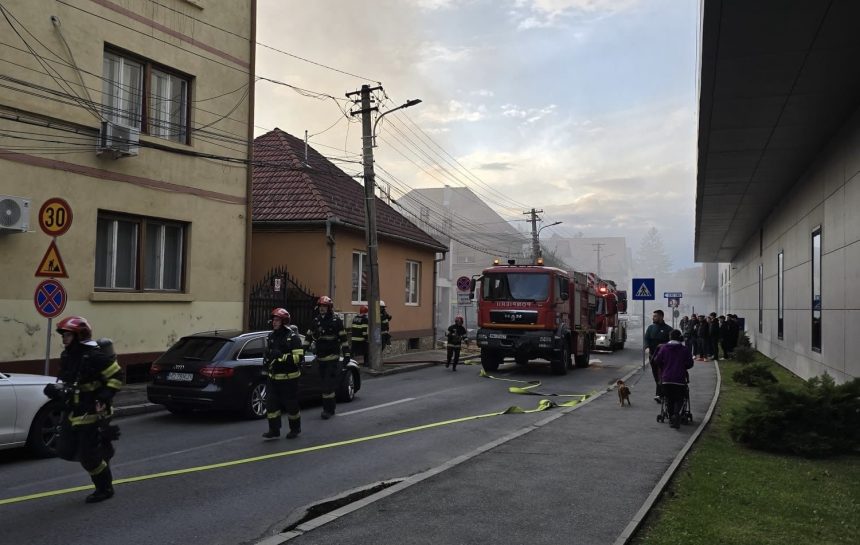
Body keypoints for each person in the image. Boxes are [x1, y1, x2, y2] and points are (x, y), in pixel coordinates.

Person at [49, 316, 123, 503]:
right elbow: (71, 382)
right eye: (63, 335)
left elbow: (116, 376)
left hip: (93, 411)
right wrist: (55, 392)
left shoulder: (95, 356)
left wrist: (104, 396)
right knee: (65, 450)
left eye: (67, 335)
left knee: (88, 458)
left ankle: (104, 488)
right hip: (73, 410)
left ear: (79, 335)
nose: (64, 339)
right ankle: (104, 451)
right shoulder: (68, 356)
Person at [304, 296, 350, 419]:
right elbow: (308, 338)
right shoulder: (315, 321)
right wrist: (301, 351)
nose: (322, 309)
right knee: (324, 385)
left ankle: (328, 409)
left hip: (332, 357)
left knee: (327, 384)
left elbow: (344, 339)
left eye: (324, 307)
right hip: (320, 358)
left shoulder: (336, 321)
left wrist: (347, 355)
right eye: (320, 307)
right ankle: (330, 407)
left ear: (329, 308)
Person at [262, 308, 304, 440]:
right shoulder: (271, 336)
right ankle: (274, 430)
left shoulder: (293, 338)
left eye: (277, 320)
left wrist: (282, 356)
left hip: (289, 379)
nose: (274, 322)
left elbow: (299, 359)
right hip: (273, 378)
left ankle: (295, 429)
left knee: (291, 405)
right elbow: (268, 354)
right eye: (273, 320)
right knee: (271, 405)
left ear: (284, 321)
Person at [653, 329, 694, 429]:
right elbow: (690, 364)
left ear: (670, 337)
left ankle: (671, 417)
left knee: (669, 398)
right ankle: (676, 414)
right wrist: (682, 365)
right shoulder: (684, 349)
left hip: (666, 379)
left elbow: (656, 360)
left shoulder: (664, 348)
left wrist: (664, 366)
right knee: (679, 398)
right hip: (679, 379)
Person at [644, 309, 673, 402]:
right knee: (656, 376)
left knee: (661, 375)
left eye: (655, 316)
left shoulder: (668, 329)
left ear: (661, 317)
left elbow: (672, 343)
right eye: (653, 316)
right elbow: (646, 339)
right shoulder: (650, 328)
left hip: (664, 357)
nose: (653, 318)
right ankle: (662, 394)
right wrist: (647, 347)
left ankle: (659, 394)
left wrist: (664, 345)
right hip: (653, 356)